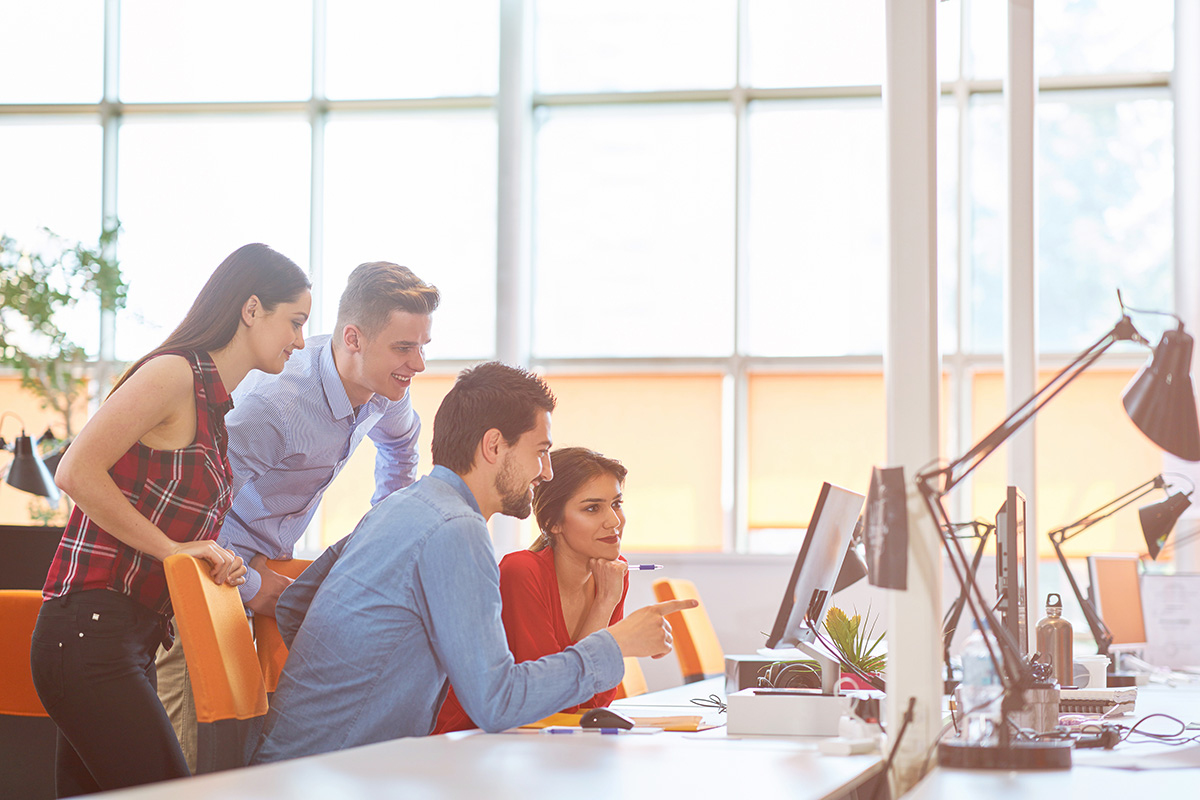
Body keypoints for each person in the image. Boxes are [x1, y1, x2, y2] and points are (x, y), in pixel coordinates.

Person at [251, 362, 696, 763]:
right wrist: (614, 645)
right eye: (540, 451)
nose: (546, 473)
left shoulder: (402, 504)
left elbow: (294, 609)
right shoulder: (456, 529)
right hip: (335, 774)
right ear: (494, 446)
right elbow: (496, 702)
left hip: (301, 760)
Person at [29, 243, 311, 796]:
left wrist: (214, 560)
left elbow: (173, 526)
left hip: (125, 641)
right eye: (295, 322)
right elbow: (75, 471)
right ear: (252, 309)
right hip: (88, 634)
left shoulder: (216, 407)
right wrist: (172, 551)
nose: (300, 341)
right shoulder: (173, 374)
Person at [154, 261, 439, 770]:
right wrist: (249, 586)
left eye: (423, 346)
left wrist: (383, 539)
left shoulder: (386, 389)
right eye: (404, 348)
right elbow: (195, 516)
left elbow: (401, 450)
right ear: (353, 337)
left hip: (260, 563)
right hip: (202, 571)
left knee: (246, 750)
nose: (417, 364)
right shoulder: (275, 405)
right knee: (191, 762)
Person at [433, 446, 631, 733]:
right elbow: (551, 705)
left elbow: (596, 701)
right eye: (592, 508)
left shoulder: (613, 574)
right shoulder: (521, 572)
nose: (614, 521)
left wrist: (607, 597)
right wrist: (604, 604)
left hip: (541, 741)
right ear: (552, 523)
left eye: (616, 503)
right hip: (470, 740)